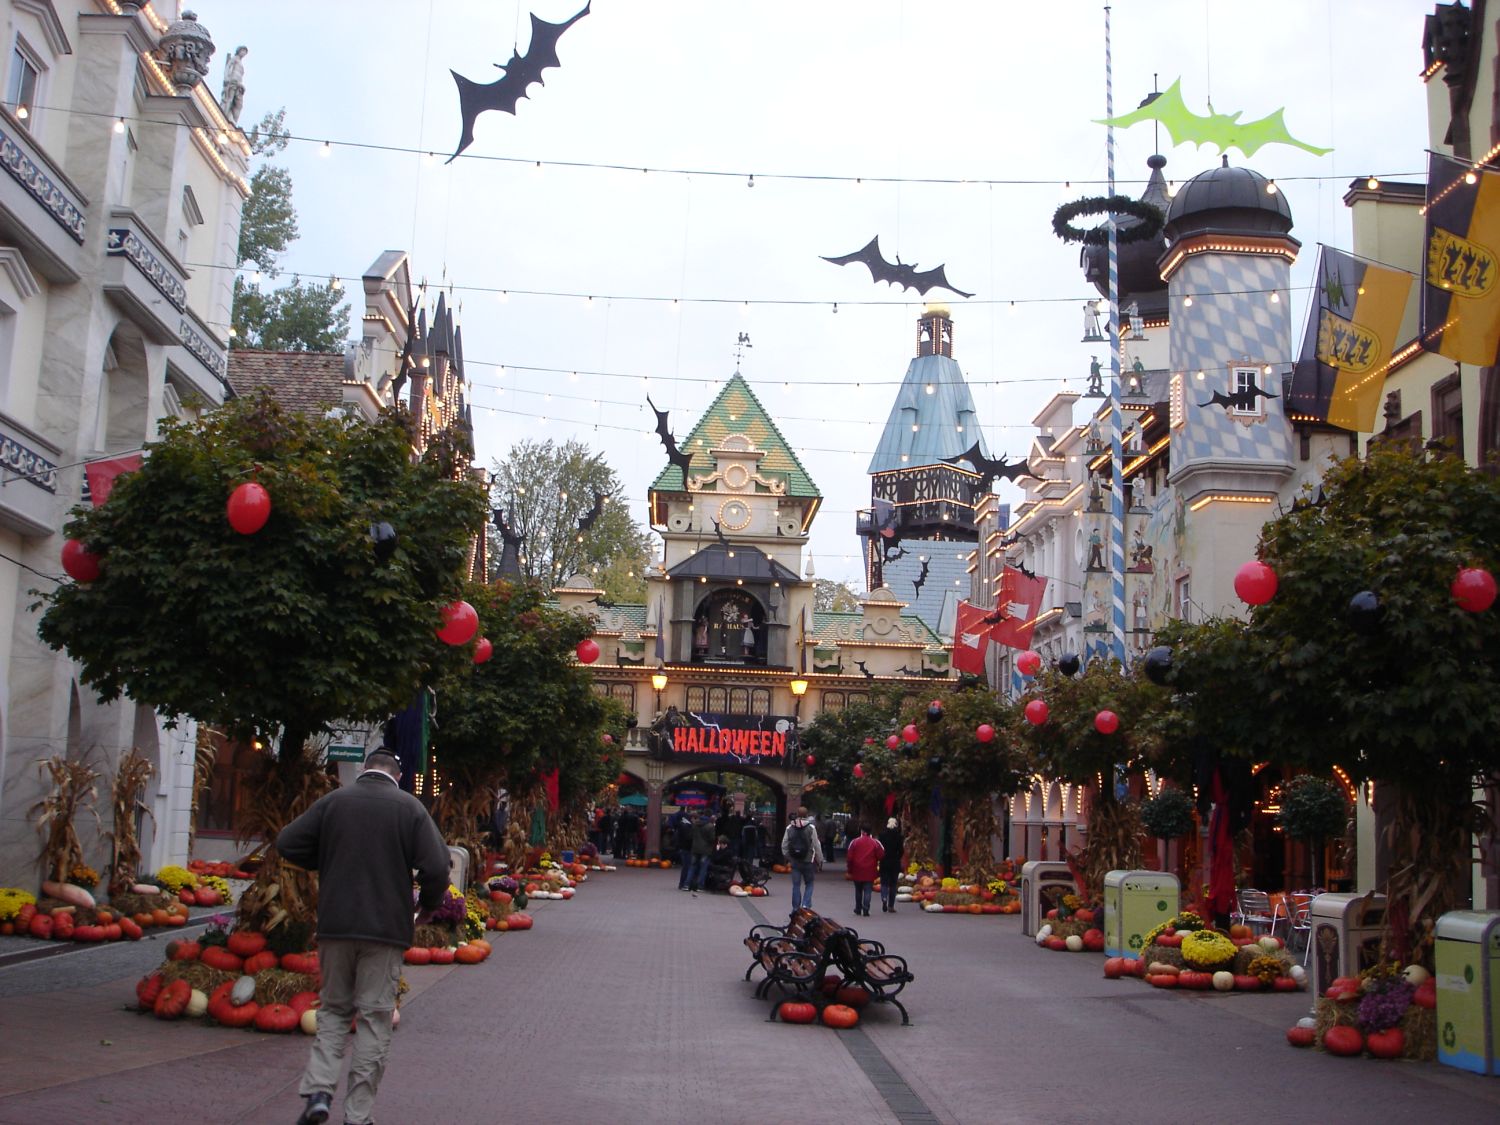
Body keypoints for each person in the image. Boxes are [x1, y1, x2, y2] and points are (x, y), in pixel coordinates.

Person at [277, 748, 449, 1125]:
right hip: (386, 930)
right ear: (398, 777)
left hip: (336, 924)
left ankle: (319, 1092)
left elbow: (288, 842)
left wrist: (327, 859)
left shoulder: (335, 801)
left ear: (365, 770)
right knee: (374, 1017)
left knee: (334, 1010)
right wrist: (429, 905)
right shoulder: (410, 808)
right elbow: (438, 866)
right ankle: (357, 1115)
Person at [781, 806, 823, 911]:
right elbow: (816, 845)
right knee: (809, 883)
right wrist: (820, 859)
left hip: (795, 861)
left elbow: (784, 845)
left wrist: (789, 857)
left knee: (796, 885)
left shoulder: (789, 828)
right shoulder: (811, 828)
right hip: (808, 860)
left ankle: (795, 907)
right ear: (807, 815)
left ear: (797, 814)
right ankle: (805, 905)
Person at [844, 824, 884, 917]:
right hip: (870, 870)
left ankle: (858, 908)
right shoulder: (875, 842)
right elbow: (881, 855)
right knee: (868, 890)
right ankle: (866, 909)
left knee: (858, 890)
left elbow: (849, 857)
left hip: (857, 869)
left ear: (862, 831)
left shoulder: (854, 842)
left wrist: (849, 870)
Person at [877, 817, 904, 912]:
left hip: (884, 862)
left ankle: (884, 898)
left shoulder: (882, 835)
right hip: (894, 863)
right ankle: (891, 906)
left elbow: (879, 849)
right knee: (893, 884)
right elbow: (901, 851)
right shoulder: (899, 836)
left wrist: (880, 858)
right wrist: (897, 857)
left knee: (884, 882)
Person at [686, 813, 715, 895]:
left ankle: (687, 885)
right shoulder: (710, 826)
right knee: (703, 868)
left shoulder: (695, 825)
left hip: (695, 849)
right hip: (705, 850)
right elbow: (712, 839)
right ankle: (699, 886)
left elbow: (691, 836)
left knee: (692, 867)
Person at [220, 45, 247, 124]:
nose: (244, 53)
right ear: (239, 51)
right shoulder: (235, 58)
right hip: (232, 81)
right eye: (243, 51)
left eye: (245, 52)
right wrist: (226, 78)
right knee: (229, 99)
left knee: (239, 105)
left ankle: (233, 122)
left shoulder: (241, 63)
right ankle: (224, 116)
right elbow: (228, 67)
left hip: (239, 84)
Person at [674, 811, 695, 891]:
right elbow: (688, 837)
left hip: (683, 848)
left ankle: (682, 883)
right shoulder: (686, 826)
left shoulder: (682, 825)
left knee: (686, 867)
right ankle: (683, 883)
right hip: (686, 848)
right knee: (687, 867)